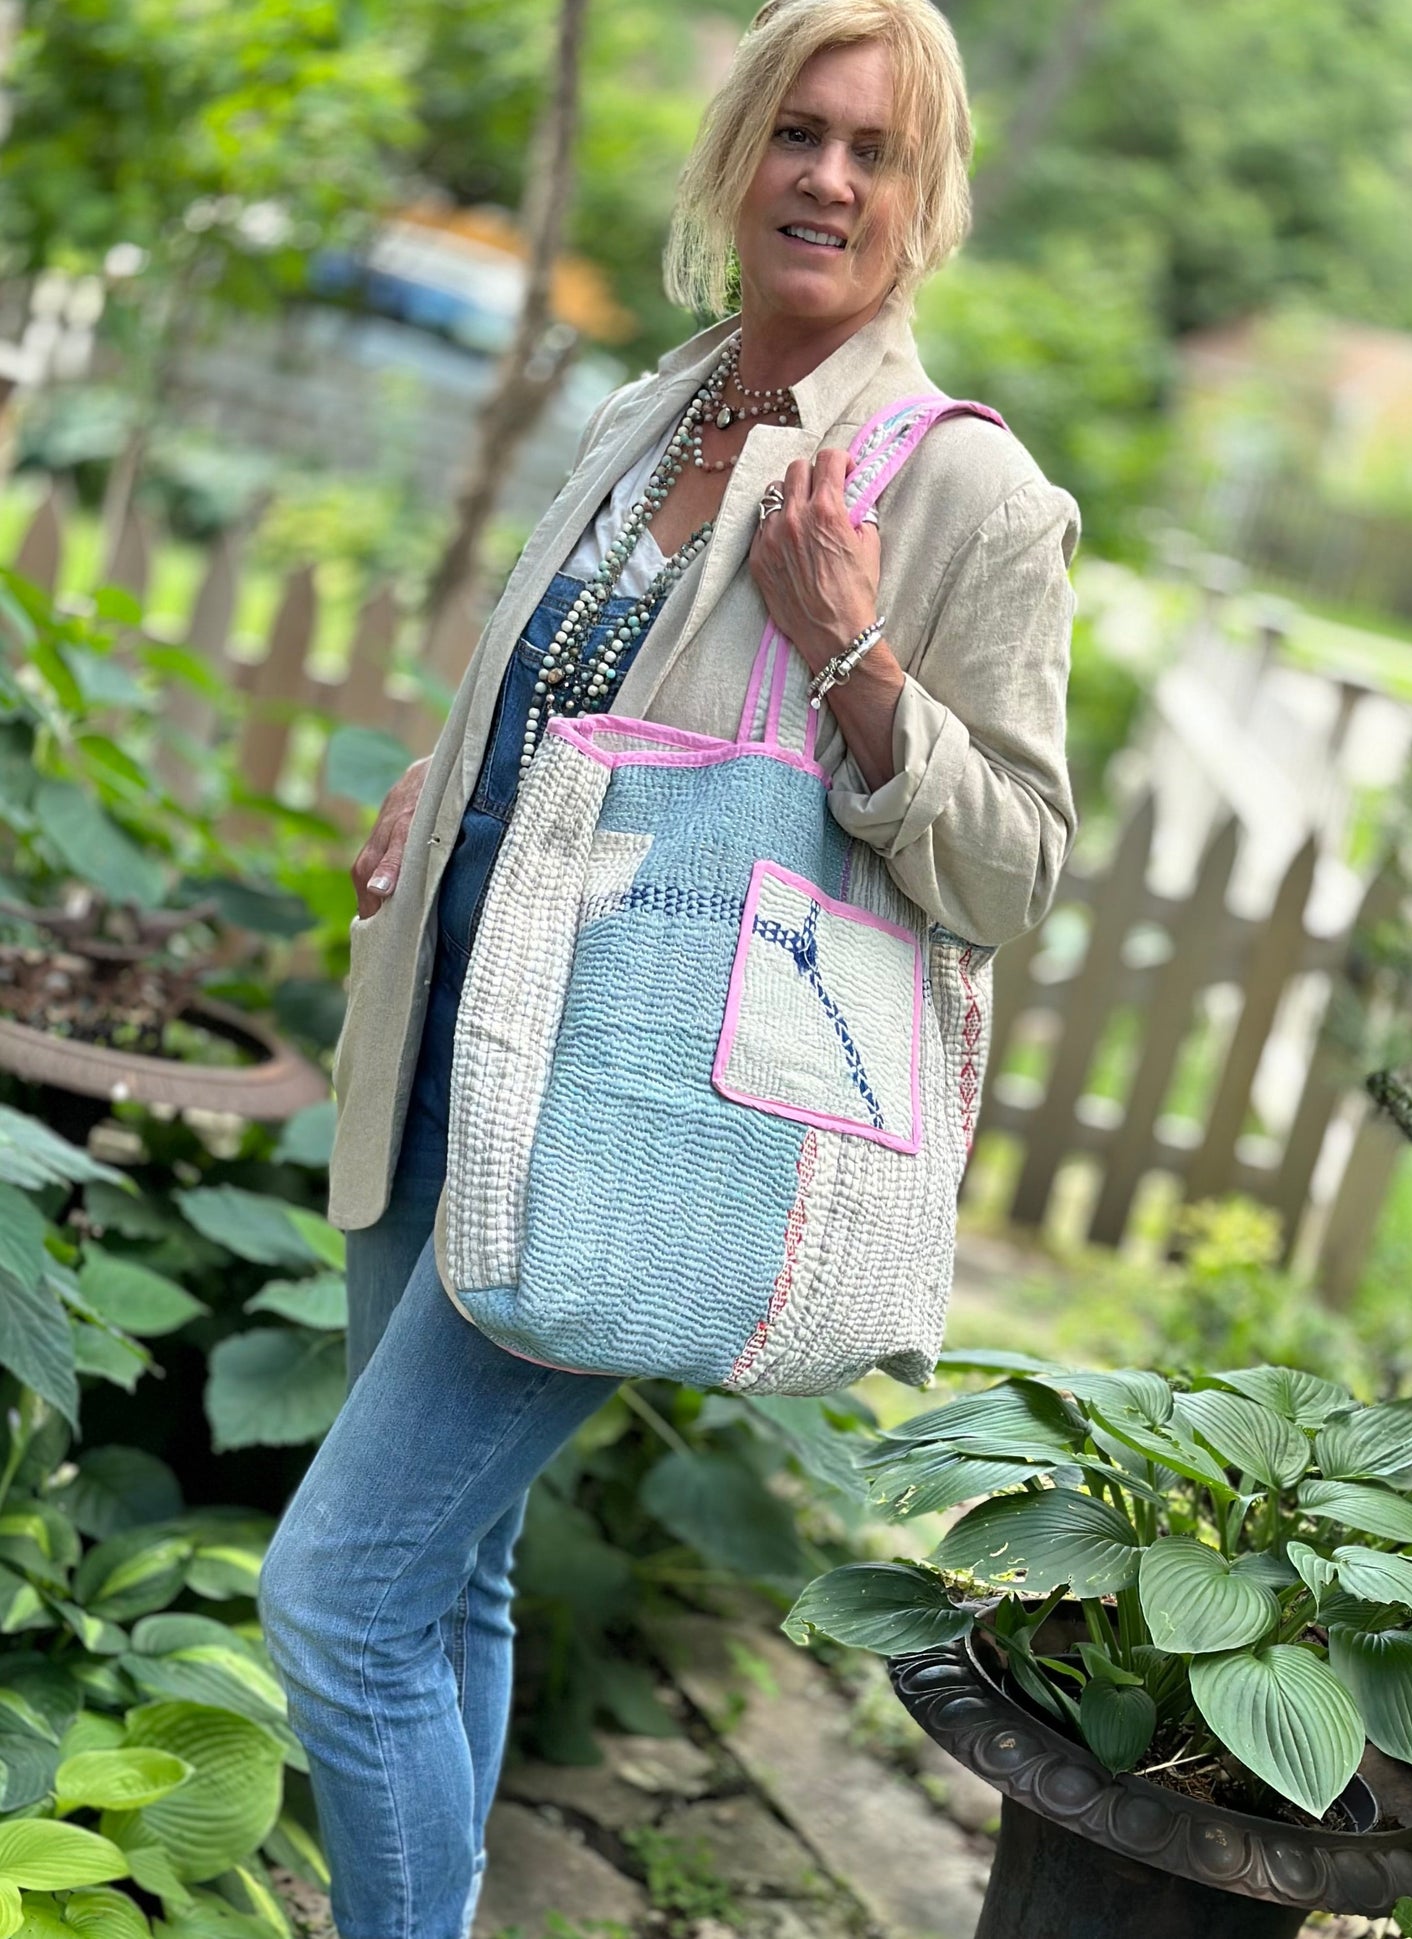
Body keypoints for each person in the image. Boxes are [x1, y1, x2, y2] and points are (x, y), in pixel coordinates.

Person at [259, 2, 1080, 1934]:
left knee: (339, 1599)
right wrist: (445, 779)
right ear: (736, 153)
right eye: (798, 132)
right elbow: (580, 689)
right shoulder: (665, 402)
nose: (826, 178)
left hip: (617, 1102)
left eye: (874, 151)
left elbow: (1017, 870)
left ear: (924, 197)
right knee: (447, 1583)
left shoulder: (962, 491)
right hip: (459, 1021)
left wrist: (858, 658)